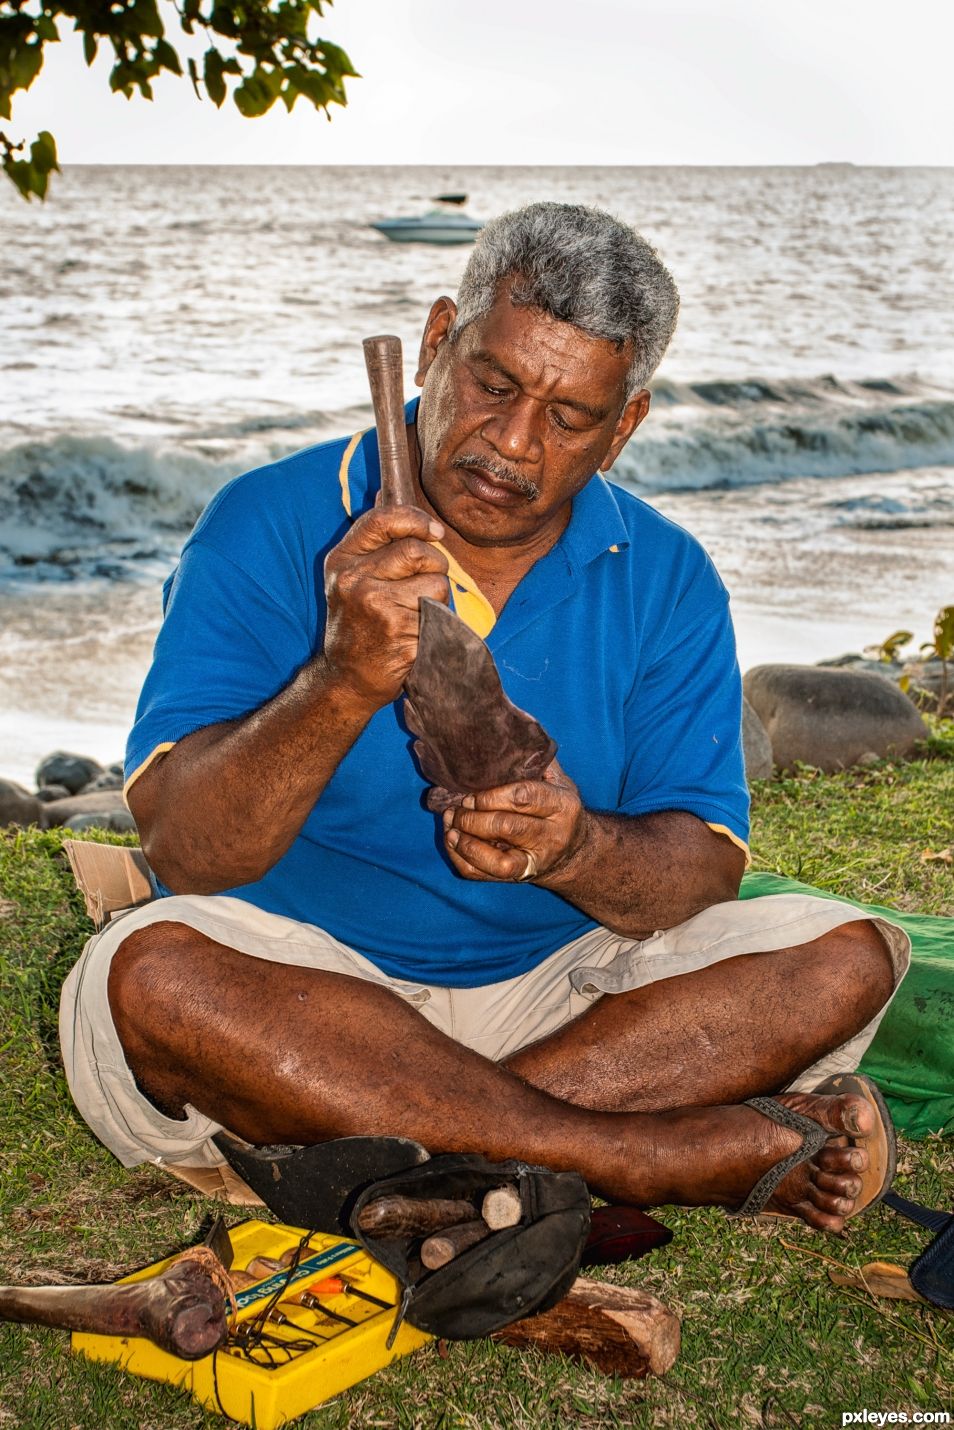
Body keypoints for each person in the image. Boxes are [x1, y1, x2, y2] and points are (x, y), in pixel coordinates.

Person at [59, 203, 909, 1230]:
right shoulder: (267, 519)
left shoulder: (668, 575)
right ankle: (633, 1156)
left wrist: (577, 846)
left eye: (568, 416)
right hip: (295, 980)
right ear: (434, 344)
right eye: (492, 384)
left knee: (847, 955)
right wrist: (338, 679)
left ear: (624, 427)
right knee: (153, 975)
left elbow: (703, 867)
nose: (511, 443)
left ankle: (435, 1149)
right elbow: (185, 851)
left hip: (564, 996)